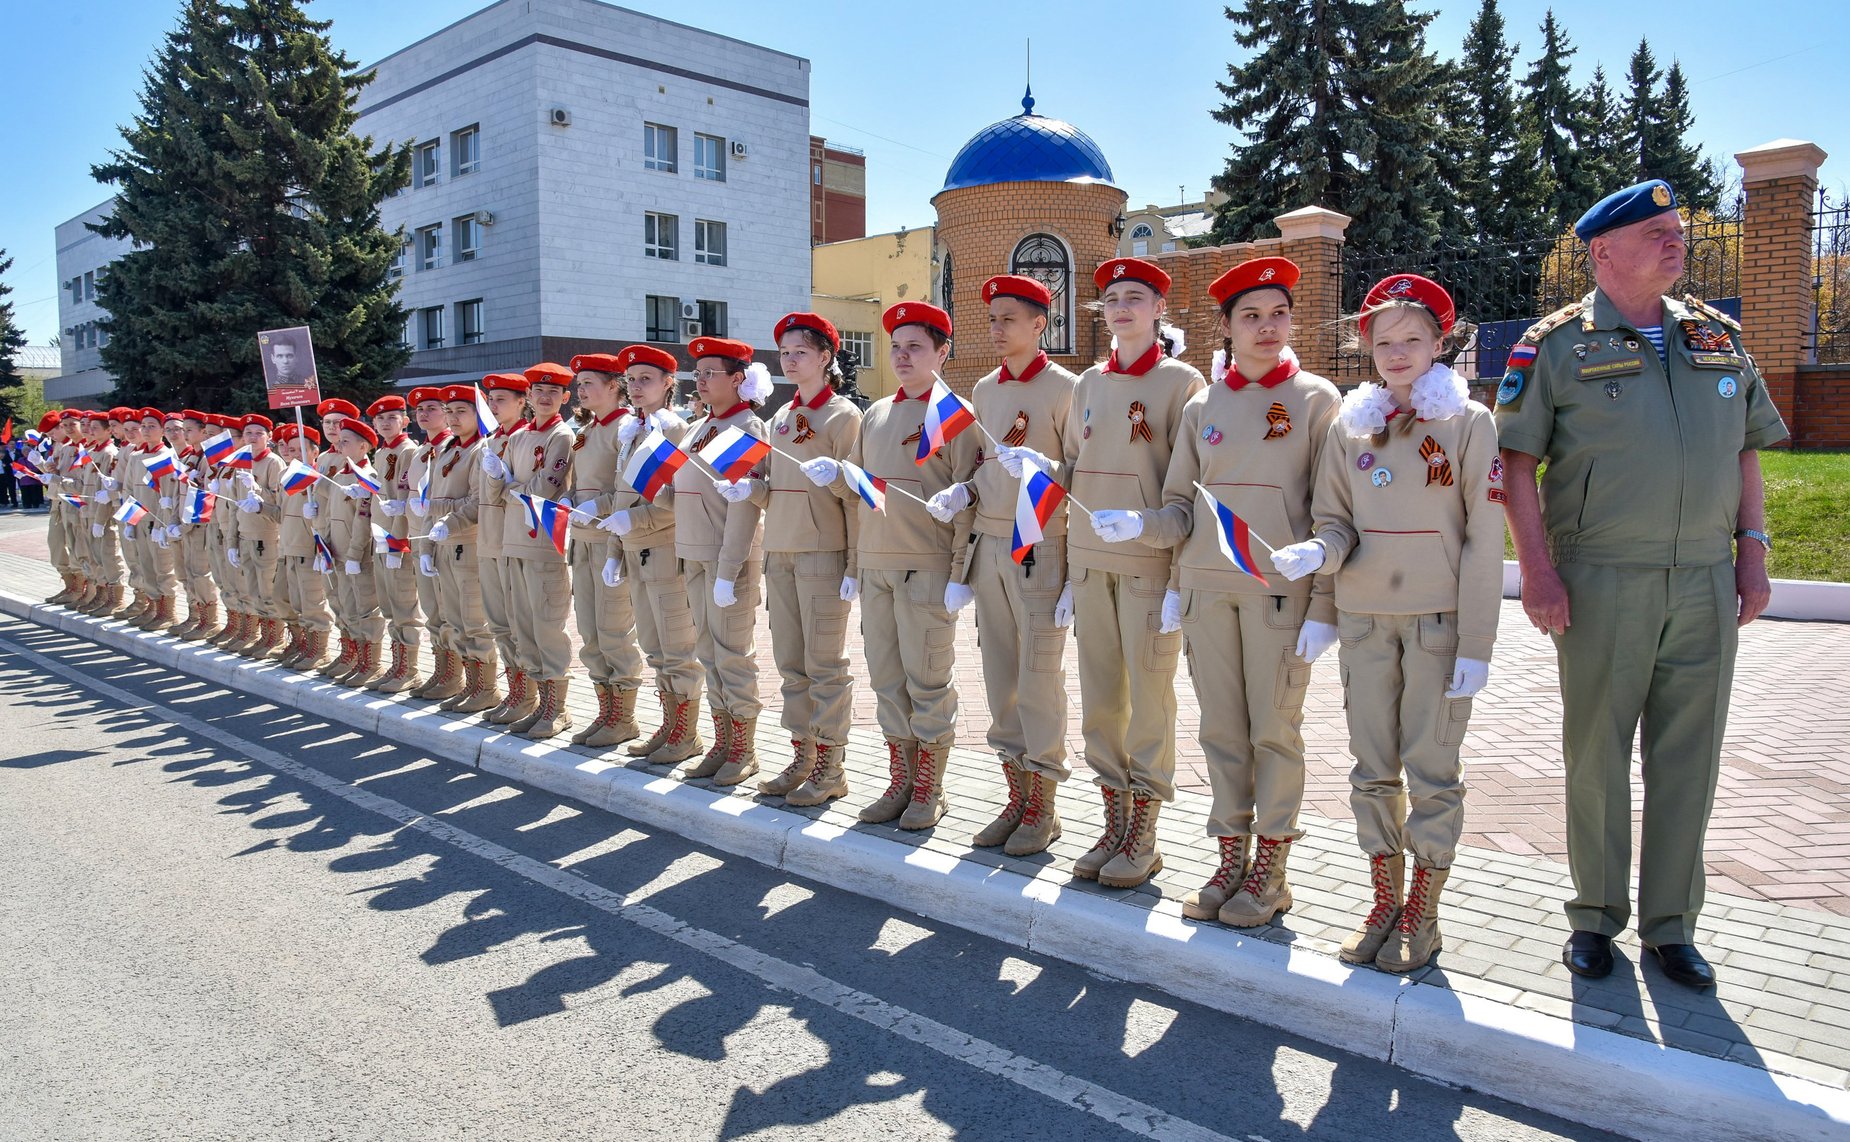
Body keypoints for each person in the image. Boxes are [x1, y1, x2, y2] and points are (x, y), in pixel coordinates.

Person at [1495, 180, 1789, 990]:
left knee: (1688, 758)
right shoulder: (1555, 346)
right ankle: (1594, 918)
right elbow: (1516, 466)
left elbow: (1746, 453)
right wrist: (1539, 574)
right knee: (1596, 755)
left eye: (1678, 230)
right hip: (1601, 582)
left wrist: (1753, 549)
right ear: (1602, 252)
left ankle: (1672, 927)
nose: (1676, 242)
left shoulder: (1717, 339)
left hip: (1702, 582)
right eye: (1656, 232)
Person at [1274, 273, 1502, 973]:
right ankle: (1383, 901)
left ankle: (1423, 916)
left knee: (1432, 771)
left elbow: (1484, 537)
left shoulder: (1468, 424)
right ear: (1365, 347)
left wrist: (1477, 643)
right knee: (1372, 770)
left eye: (1412, 339)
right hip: (1366, 622)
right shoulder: (1353, 426)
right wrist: (1320, 569)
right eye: (1383, 341)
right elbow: (1335, 520)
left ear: (1441, 342)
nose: (1397, 353)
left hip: (1437, 626)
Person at [1139, 257, 1340, 924]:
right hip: (1204, 592)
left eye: (1278, 314)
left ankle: (1272, 870)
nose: (1266, 327)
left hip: (1277, 598)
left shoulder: (1316, 400)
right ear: (1224, 326)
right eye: (1250, 316)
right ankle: (1231, 859)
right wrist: (1156, 551)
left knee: (1274, 732)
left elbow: (1333, 513)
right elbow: (1180, 507)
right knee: (1223, 732)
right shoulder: (1204, 406)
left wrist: (1324, 605)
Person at [801, 302, 975, 829]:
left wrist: (959, 575)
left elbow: (970, 498)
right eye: (895, 348)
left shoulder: (955, 416)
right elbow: (857, 493)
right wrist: (835, 476)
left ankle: (929, 789)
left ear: (942, 352)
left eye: (915, 347)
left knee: (927, 682)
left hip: (925, 568)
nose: (902, 357)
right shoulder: (875, 414)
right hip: (876, 566)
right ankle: (900, 780)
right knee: (886, 680)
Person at [926, 275, 1077, 855]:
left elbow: (1081, 473)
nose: (995, 329)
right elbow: (986, 463)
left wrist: (1046, 468)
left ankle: (1044, 806)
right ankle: (1016, 796)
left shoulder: (1067, 388)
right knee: (1001, 678)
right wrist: (965, 493)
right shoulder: (984, 388)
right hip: (991, 547)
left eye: (1007, 318)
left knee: (1039, 681)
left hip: (1040, 547)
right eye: (990, 319)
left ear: (1041, 323)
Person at [1071, 258, 1207, 888]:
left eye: (1135, 297)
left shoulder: (1184, 383)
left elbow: (1190, 490)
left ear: (1158, 310)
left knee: (1149, 703)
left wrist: (1179, 578)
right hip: (1092, 564)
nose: (1121, 307)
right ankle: (1114, 821)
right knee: (1101, 701)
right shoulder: (1087, 385)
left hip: (1149, 564)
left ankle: (1145, 833)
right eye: (1112, 299)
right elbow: (1076, 469)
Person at [755, 312, 862, 806]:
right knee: (791, 664)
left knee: (824, 666)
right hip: (780, 550)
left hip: (823, 553)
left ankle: (830, 766)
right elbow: (775, 486)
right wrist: (750, 487)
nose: (791, 360)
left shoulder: (843, 416)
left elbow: (856, 495)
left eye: (801, 351)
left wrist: (855, 565)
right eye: (785, 353)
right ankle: (802, 754)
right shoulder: (780, 417)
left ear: (825, 357)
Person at [671, 336, 771, 785]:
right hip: (693, 555)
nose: (702, 380)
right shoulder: (699, 425)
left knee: (732, 655)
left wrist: (730, 570)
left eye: (711, 373)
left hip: (724, 560)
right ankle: (723, 740)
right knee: (708, 653)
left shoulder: (747, 426)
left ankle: (744, 748)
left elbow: (743, 505)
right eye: (698, 373)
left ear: (738, 379)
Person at [602, 346, 705, 766]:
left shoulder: (676, 430)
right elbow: (623, 497)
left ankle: (687, 733)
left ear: (668, 383)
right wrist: (614, 549)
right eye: (632, 379)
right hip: (634, 550)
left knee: (678, 647)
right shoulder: (631, 431)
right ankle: (669, 724)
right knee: (654, 645)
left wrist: (635, 523)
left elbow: (679, 502)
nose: (636, 387)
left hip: (665, 551)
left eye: (647, 379)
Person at [561, 353, 645, 747]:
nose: (581, 390)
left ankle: (624, 717)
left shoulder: (625, 428)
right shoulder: (588, 429)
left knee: (614, 632)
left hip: (610, 540)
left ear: (614, 386)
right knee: (591, 635)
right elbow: (581, 481)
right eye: (579, 384)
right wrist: (568, 500)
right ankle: (607, 711)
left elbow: (633, 487)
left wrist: (600, 505)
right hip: (583, 541)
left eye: (588, 383)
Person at [427, 383, 504, 714]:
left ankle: (486, 688)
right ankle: (469, 683)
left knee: (474, 620)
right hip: (445, 541)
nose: (454, 418)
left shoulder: (481, 450)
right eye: (450, 412)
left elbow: (477, 500)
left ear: (478, 414)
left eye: (462, 411)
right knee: (455, 618)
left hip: (468, 542)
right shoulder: (447, 448)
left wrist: (445, 514)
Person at [366, 396, 425, 692]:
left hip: (396, 539)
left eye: (392, 417)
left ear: (405, 420)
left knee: (404, 606)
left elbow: (404, 499)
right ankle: (398, 663)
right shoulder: (382, 451)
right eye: (380, 419)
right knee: (390, 606)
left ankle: (410, 668)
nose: (385, 423)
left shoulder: (408, 451)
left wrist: (399, 541)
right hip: (381, 535)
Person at [274, 422, 337, 669]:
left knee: (312, 603)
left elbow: (332, 511)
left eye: (300, 449)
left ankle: (318, 649)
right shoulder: (286, 476)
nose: (294, 454)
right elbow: (280, 513)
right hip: (288, 546)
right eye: (290, 449)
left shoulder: (318, 478)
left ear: (314, 451)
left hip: (308, 548)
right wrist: (257, 503)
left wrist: (317, 514)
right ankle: (302, 643)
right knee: (287, 599)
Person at [231, 413, 287, 657]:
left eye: (258, 433)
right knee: (252, 589)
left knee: (268, 589)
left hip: (266, 534)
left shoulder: (273, 463)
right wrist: (233, 541)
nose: (253, 438)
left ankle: (275, 637)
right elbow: (234, 504)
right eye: (248, 433)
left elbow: (278, 504)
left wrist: (258, 490)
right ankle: (263, 635)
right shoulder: (240, 461)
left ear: (269, 437)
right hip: (245, 533)